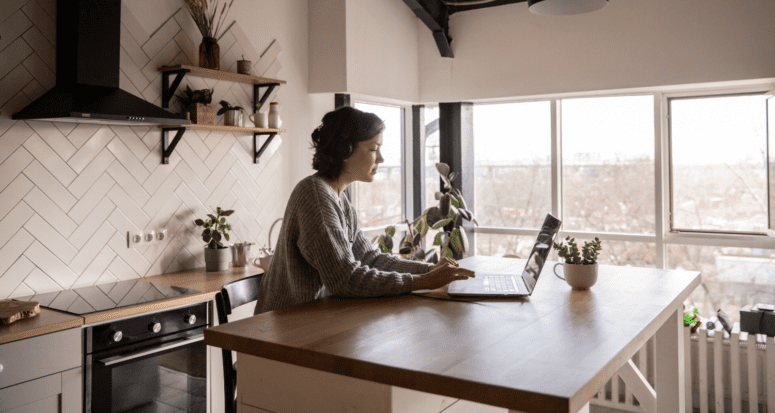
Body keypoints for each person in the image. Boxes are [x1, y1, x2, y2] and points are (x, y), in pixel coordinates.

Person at [254, 106, 475, 314]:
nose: (381, 158)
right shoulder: (316, 197)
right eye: (374, 149)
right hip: (281, 331)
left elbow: (369, 258)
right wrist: (423, 281)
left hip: (313, 319)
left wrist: (429, 270)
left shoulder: (338, 199)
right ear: (344, 150)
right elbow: (345, 279)